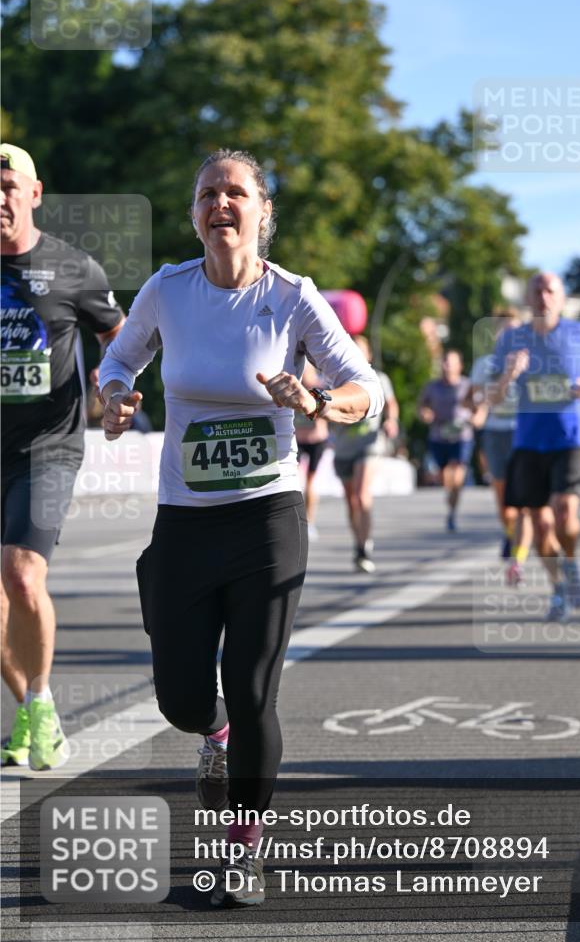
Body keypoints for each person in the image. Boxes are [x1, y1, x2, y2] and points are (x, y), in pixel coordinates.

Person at [98, 148, 383, 908]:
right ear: (194, 214)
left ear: (262, 211)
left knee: (253, 690)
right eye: (206, 194)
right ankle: (212, 735)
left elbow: (365, 389)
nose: (219, 204)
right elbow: (117, 362)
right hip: (186, 521)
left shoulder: (292, 296)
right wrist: (117, 398)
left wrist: (316, 402)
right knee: (182, 699)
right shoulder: (168, 289)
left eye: (235, 193)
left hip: (267, 520)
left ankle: (243, 849)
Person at [1, 144, 125, 770]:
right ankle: (29, 711)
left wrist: (114, 378)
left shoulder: (73, 267)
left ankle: (43, 701)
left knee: (23, 576)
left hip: (47, 447)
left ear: (34, 192)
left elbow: (119, 336)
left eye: (8, 186)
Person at [492, 272, 580, 622]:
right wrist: (508, 375)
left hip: (570, 435)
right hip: (529, 440)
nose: (544, 296)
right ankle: (558, 589)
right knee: (540, 525)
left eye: (550, 290)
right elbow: (492, 399)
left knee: (565, 512)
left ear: (562, 298)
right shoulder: (511, 339)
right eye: (536, 290)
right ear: (527, 298)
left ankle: (571, 562)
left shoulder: (578, 332)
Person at [469, 309, 532, 584]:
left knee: (525, 503)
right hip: (495, 432)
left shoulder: (535, 362)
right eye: (503, 330)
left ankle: (518, 560)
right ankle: (509, 533)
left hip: (524, 433)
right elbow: (480, 399)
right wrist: (508, 374)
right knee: (504, 503)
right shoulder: (484, 364)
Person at [331, 334, 399, 573]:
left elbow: (391, 404)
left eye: (362, 350)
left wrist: (391, 421)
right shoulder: (335, 379)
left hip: (369, 444)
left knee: (361, 495)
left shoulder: (379, 378)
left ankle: (363, 548)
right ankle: (359, 542)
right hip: (343, 447)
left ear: (368, 355)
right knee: (351, 501)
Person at [418, 349, 473, 532]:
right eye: (444, 362)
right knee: (446, 477)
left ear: (459, 366)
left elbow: (479, 405)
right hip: (439, 436)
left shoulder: (467, 385)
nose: (446, 366)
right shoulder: (432, 387)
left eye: (450, 363)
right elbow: (422, 406)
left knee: (456, 472)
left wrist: (476, 417)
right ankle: (452, 500)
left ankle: (452, 512)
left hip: (461, 435)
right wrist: (425, 414)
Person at [295, 360, 329, 540]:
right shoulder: (294, 387)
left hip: (317, 439)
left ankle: (310, 521)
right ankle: (297, 521)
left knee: (311, 481)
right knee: (295, 480)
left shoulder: (320, 388)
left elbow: (329, 410)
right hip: (298, 439)